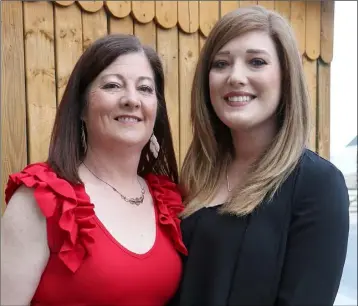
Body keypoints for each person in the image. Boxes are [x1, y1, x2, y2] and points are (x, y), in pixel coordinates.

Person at [175, 6, 350, 306]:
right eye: (221, 64)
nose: (235, 77)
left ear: (286, 77)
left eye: (256, 62)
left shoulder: (316, 185)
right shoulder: (194, 177)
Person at [1, 34, 187, 306]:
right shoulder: (40, 199)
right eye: (113, 85)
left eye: (145, 89)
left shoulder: (167, 201)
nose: (132, 99)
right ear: (81, 108)